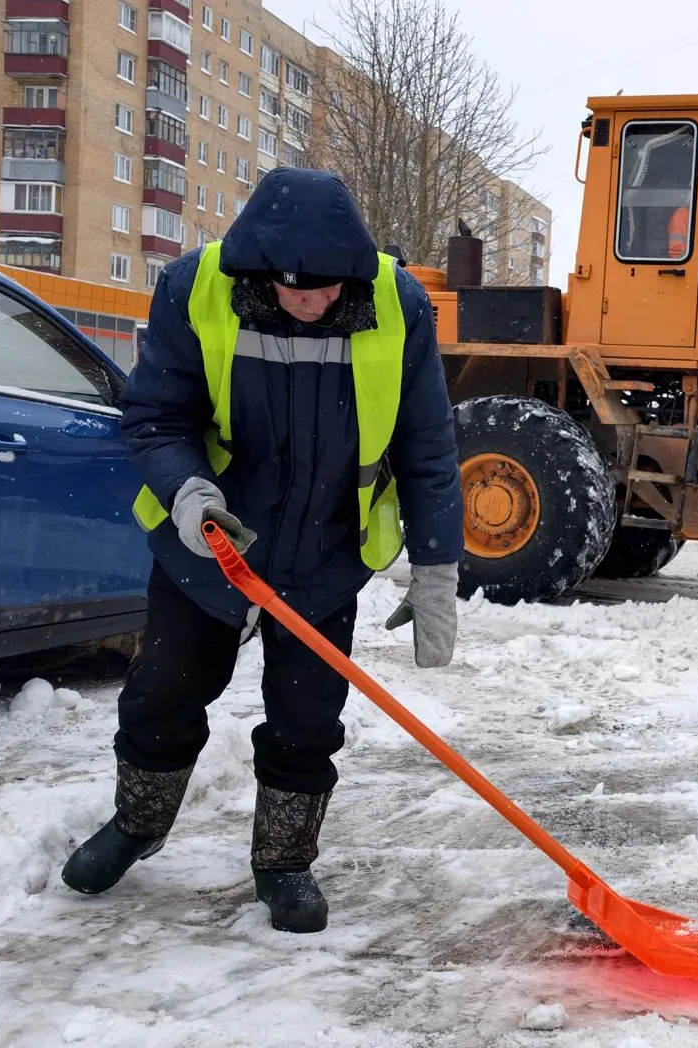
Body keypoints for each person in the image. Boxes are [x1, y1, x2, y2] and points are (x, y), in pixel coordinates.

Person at [61, 167, 463, 934]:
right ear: (259, 270)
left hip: (326, 552)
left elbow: (427, 443)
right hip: (210, 544)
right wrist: (189, 495)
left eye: (323, 290)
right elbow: (154, 417)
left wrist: (438, 563)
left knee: (308, 721)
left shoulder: (398, 304)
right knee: (163, 696)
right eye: (290, 289)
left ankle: (283, 864)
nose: (308, 302)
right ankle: (138, 825)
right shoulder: (194, 289)